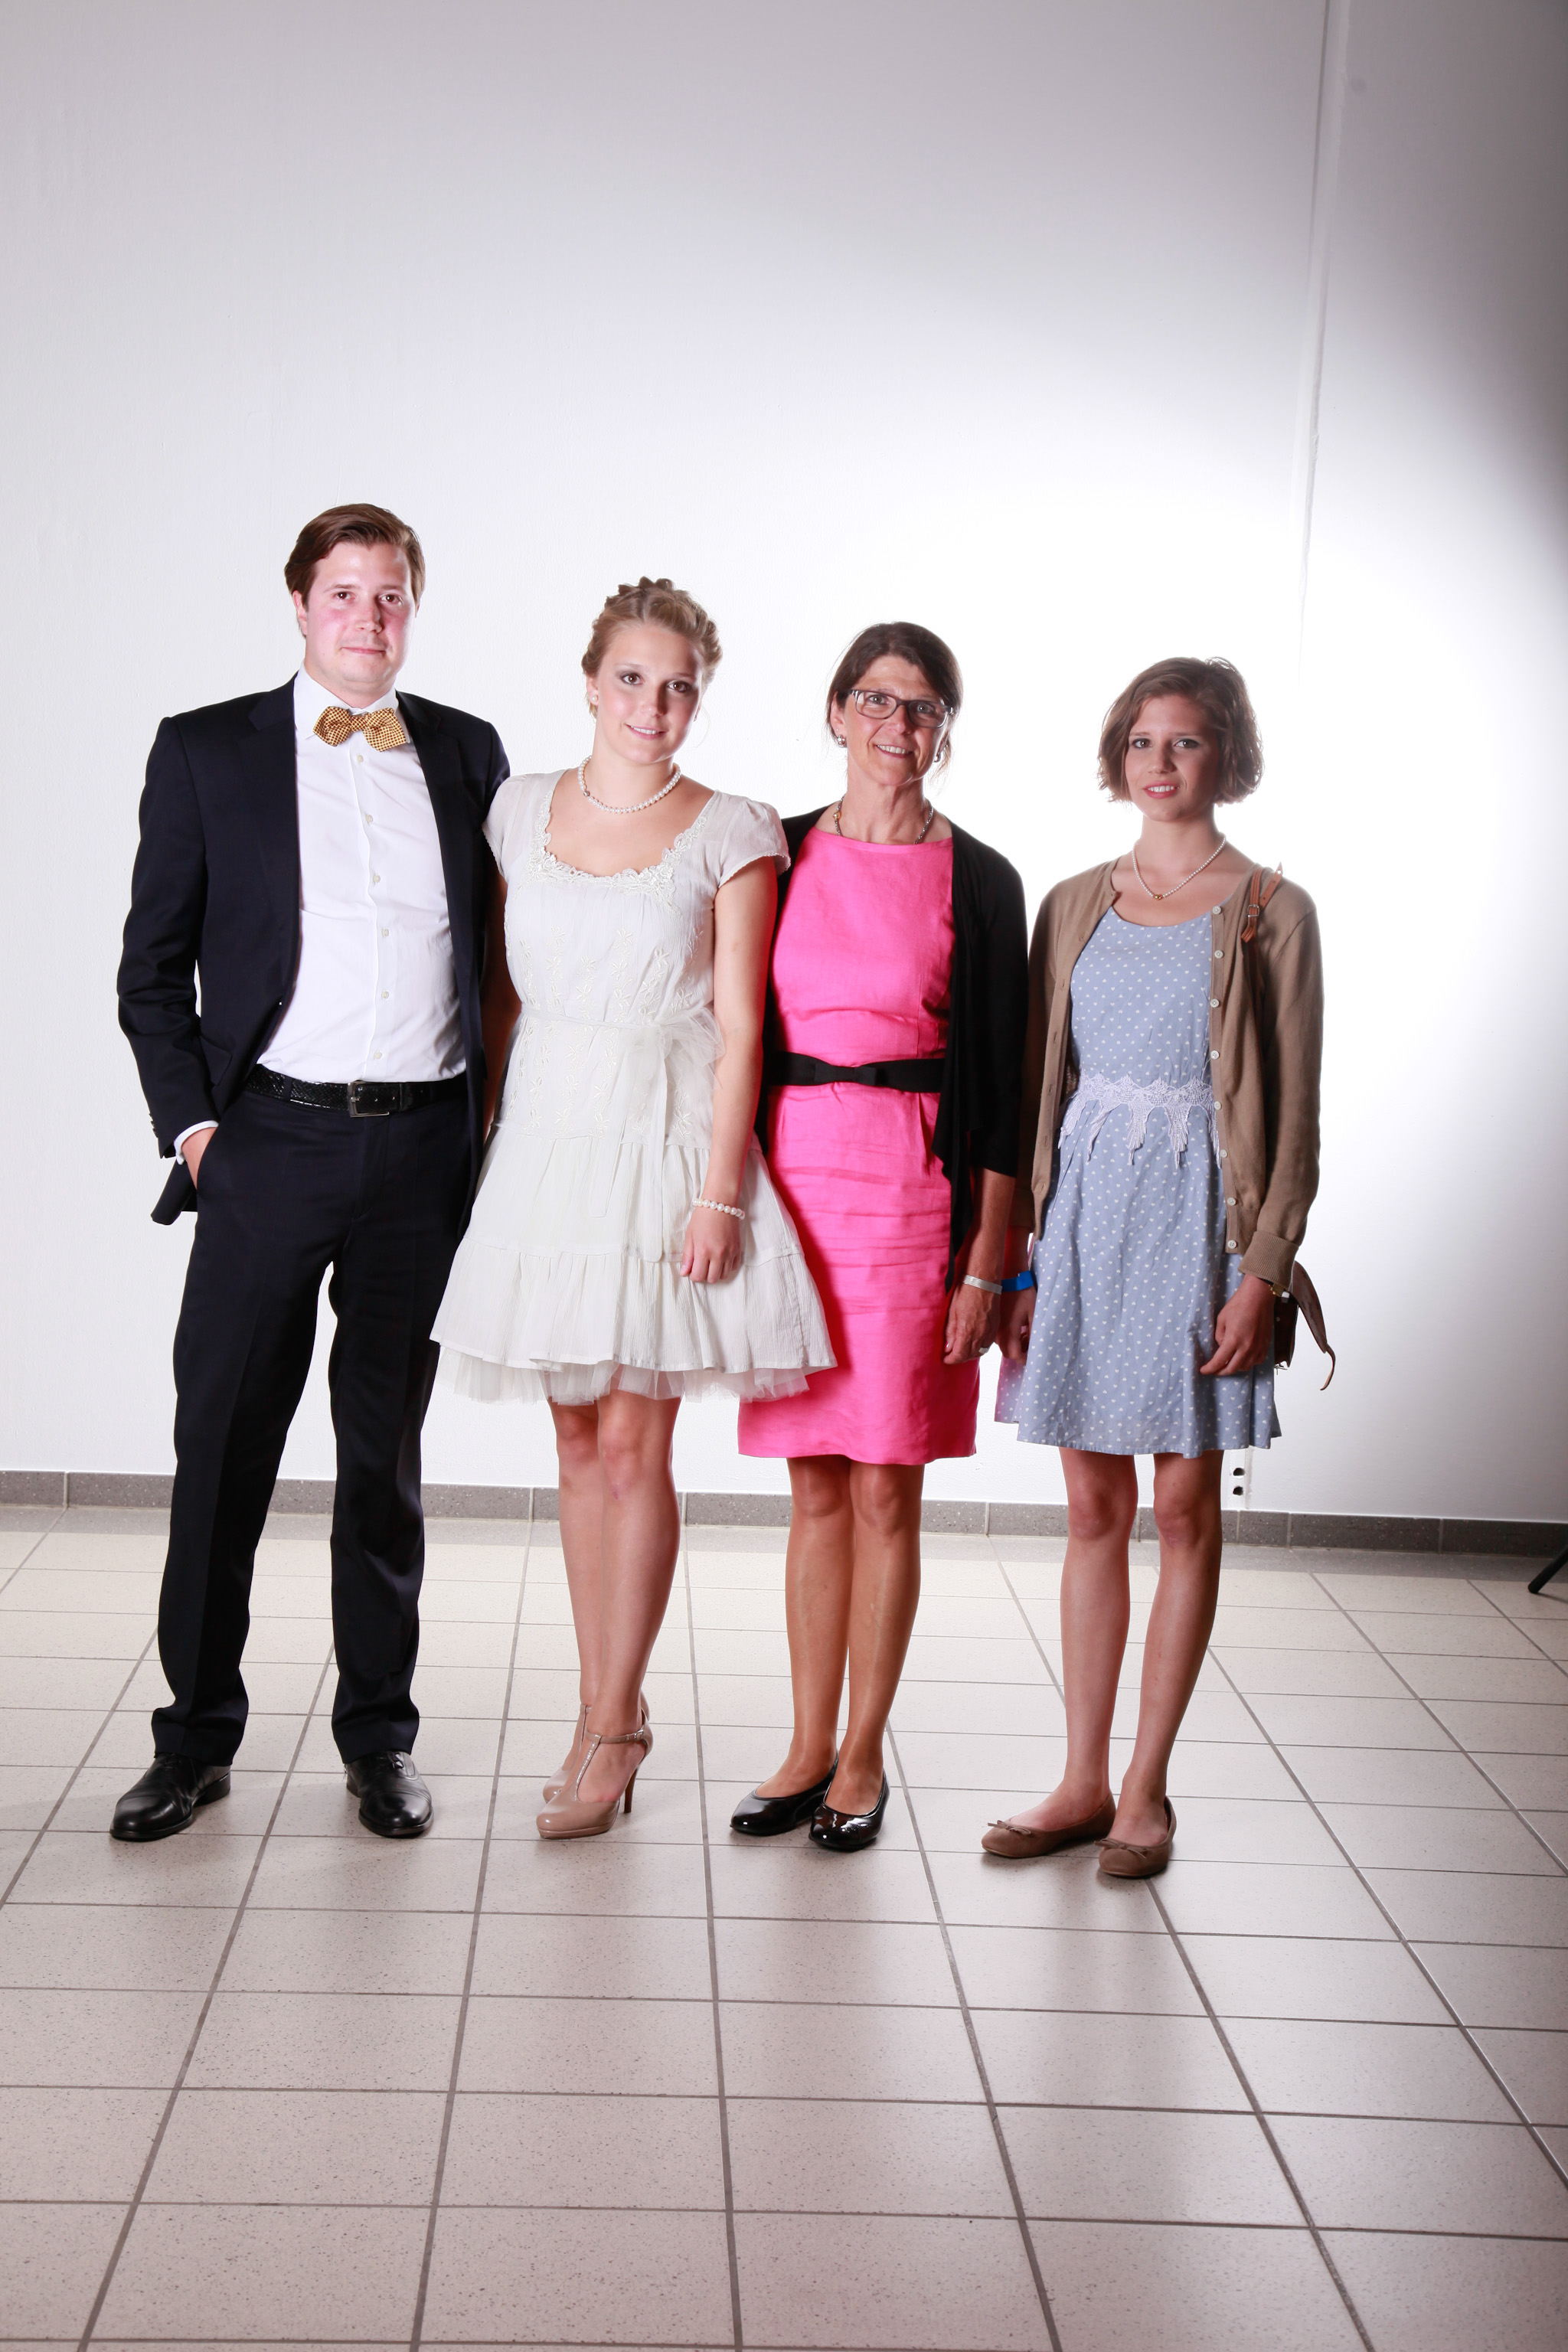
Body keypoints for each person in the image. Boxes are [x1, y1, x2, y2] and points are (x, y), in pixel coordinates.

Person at [114, 504, 509, 1842]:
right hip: (267, 1144)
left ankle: (378, 1739)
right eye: (344, 593)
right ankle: (193, 1738)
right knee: (223, 1444)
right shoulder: (206, 749)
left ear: (413, 609)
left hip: (424, 1150)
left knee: (383, 1460)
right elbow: (151, 974)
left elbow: (498, 958)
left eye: (391, 595)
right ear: (299, 604)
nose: (367, 618)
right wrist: (197, 1132)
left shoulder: (466, 752)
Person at [432, 577, 832, 1841]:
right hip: (546, 1138)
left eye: (677, 686)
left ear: (697, 698)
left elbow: (743, 1025)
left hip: (663, 1142)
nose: (652, 705)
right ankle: (600, 1703)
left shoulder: (733, 829)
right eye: (631, 679)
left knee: (632, 1445)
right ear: (591, 681)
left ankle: (614, 1722)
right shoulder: (515, 809)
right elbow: (501, 994)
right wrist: (480, 1143)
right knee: (570, 1441)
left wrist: (720, 1191)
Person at [988, 656, 1323, 1876]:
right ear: (1117, 756)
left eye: (1185, 741)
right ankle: (1080, 1778)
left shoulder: (1274, 908)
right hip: (1084, 1223)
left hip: (1203, 1231)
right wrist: (1019, 1263)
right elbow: (1039, 1093)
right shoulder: (1074, 902)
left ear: (1226, 754)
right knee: (1093, 1509)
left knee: (1183, 1510)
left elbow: (1297, 1117)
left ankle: (1145, 1788)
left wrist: (1263, 1273)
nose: (1161, 762)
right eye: (1142, 740)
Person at [730, 623, 1028, 1851]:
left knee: (885, 1489)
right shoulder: (776, 851)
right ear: (835, 711)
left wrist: (988, 1263)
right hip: (794, 1187)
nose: (895, 726)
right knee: (811, 1487)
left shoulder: (982, 880)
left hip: (914, 1195)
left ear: (943, 728)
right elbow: (729, 1035)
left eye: (920, 707)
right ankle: (806, 1745)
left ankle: (862, 1757)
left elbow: (1007, 1094)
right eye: (873, 700)